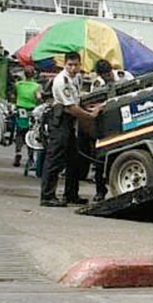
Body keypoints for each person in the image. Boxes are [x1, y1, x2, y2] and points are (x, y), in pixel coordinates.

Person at [40, 51, 99, 207]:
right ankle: (47, 196)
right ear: (64, 65)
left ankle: (71, 194)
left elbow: (77, 100)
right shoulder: (61, 80)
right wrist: (90, 115)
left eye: (75, 65)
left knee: (73, 159)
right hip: (60, 119)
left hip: (71, 121)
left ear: (80, 65)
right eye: (70, 65)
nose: (73, 68)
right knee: (55, 158)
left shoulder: (77, 77)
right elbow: (71, 107)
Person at [10, 61, 42, 168]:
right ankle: (30, 157)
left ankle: (18, 153)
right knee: (31, 133)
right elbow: (38, 97)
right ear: (34, 74)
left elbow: (13, 96)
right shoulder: (36, 86)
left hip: (20, 110)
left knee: (19, 133)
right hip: (31, 111)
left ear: (24, 74)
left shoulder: (18, 85)